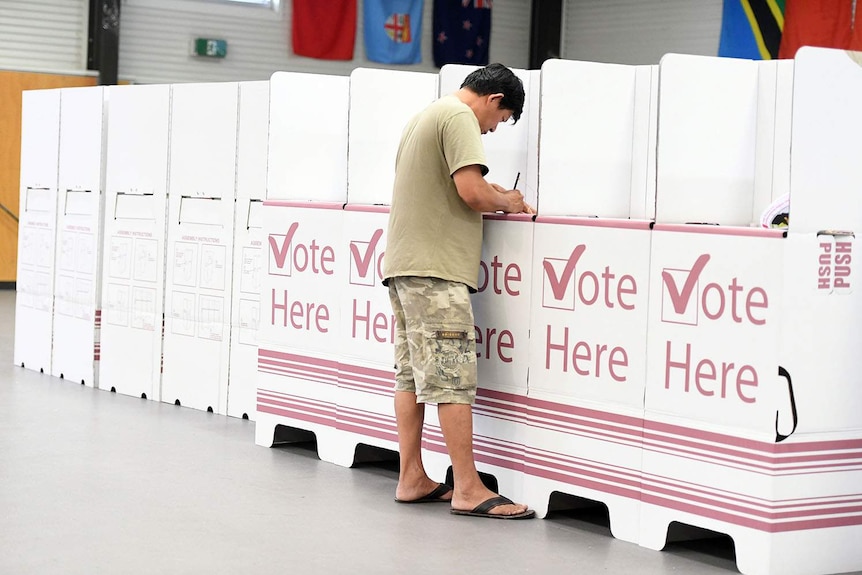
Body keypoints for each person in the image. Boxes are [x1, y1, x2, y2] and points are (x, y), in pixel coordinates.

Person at [383, 63, 536, 519]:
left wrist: (495, 190)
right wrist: (508, 200)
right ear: (493, 101)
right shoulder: (461, 118)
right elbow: (470, 191)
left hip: (406, 265)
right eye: (501, 120)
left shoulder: (428, 115)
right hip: (436, 271)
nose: (492, 130)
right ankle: (468, 487)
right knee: (452, 377)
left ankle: (411, 475)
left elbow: (453, 184)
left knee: (411, 376)